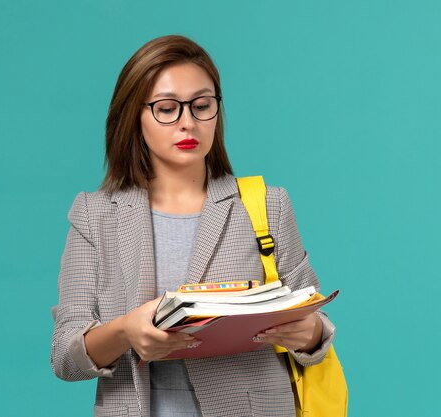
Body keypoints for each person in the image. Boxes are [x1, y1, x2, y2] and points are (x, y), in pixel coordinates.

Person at [51, 35, 335, 417]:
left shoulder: (268, 204)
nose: (188, 123)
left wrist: (312, 333)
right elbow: (65, 358)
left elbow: (313, 320)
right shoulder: (95, 214)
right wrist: (124, 332)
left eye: (202, 106)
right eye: (167, 109)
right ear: (133, 116)